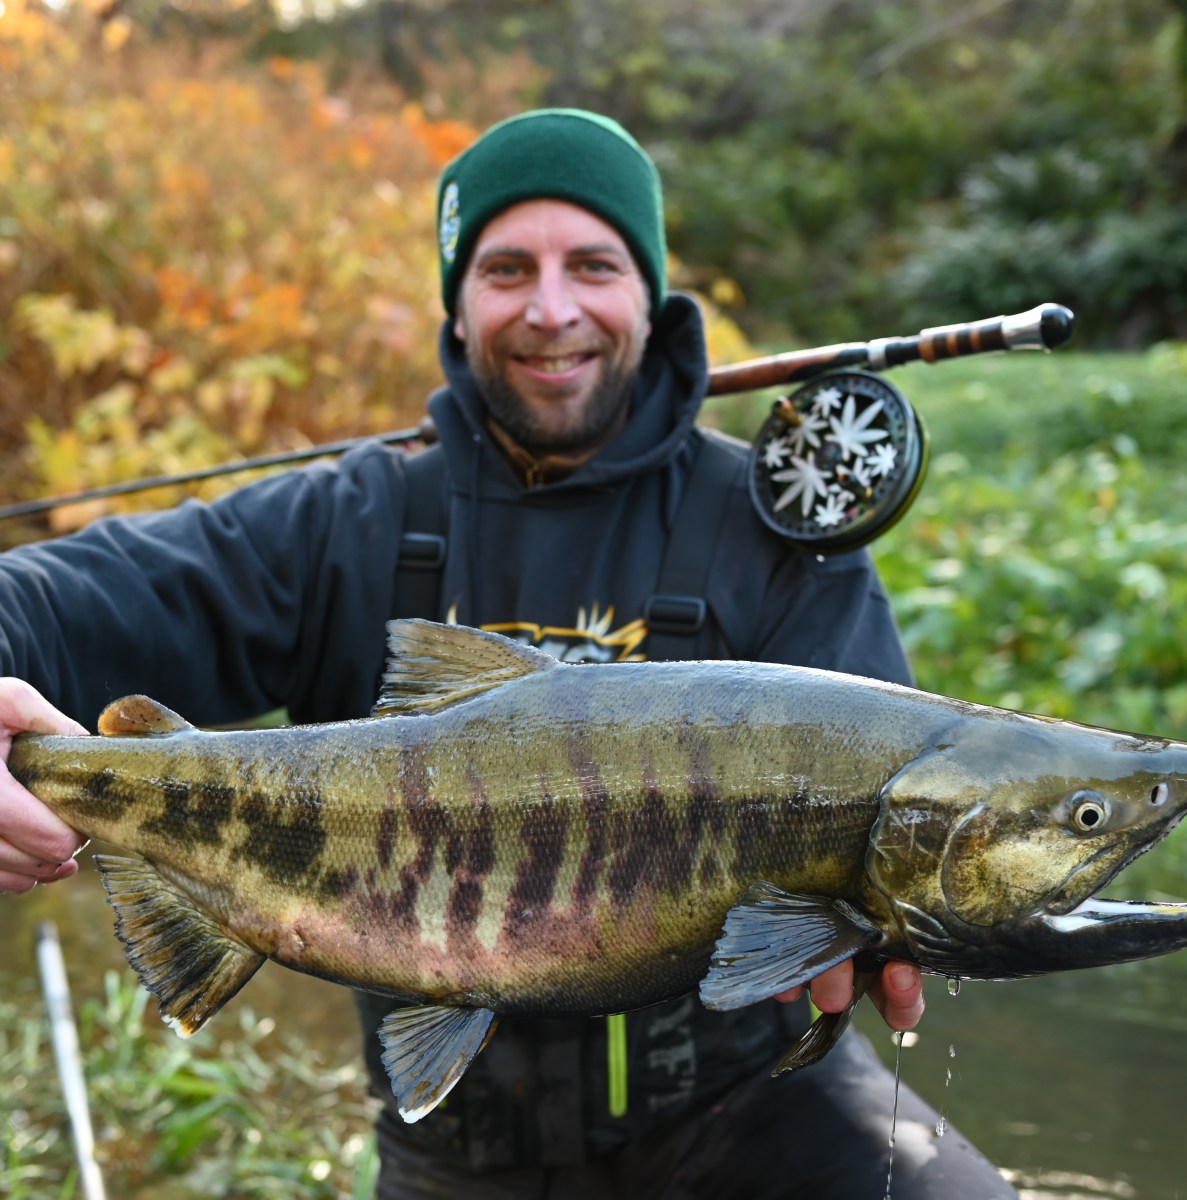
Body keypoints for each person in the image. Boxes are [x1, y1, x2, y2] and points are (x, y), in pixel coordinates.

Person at [0, 109, 1015, 1198]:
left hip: (750, 1104)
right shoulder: (347, 522)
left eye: (593, 263)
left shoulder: (770, 541)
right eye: (506, 268)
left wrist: (893, 932)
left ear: (650, 291)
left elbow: (901, 807)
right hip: (457, 1141)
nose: (551, 308)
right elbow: (45, 604)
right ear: (458, 299)